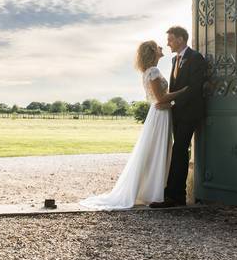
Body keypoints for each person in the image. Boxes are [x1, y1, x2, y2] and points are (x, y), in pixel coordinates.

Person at [80, 40, 188, 210]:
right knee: (157, 151)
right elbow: (160, 99)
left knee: (156, 151)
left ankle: (154, 190)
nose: (162, 47)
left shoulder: (148, 71)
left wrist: (170, 104)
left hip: (160, 113)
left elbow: (157, 98)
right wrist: (183, 92)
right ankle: (154, 193)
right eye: (158, 46)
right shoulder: (153, 71)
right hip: (159, 115)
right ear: (153, 50)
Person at [150, 26, 207, 208]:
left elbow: (194, 88)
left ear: (181, 39)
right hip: (176, 114)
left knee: (179, 150)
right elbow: (175, 89)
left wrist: (173, 104)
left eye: (171, 39)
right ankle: (175, 195)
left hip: (190, 113)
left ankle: (174, 196)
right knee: (179, 151)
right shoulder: (175, 59)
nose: (168, 43)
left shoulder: (196, 58)